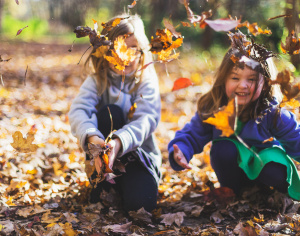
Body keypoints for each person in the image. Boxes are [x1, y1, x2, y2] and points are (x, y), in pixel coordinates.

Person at [168, 31, 300, 200]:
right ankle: (233, 192)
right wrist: (181, 151)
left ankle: (270, 193)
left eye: (251, 79)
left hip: (266, 168)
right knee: (223, 149)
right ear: (224, 79)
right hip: (233, 171)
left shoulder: (273, 113)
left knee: (273, 165)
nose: (242, 85)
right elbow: (192, 134)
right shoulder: (215, 107)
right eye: (235, 78)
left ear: (266, 83)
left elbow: (296, 139)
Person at [69, 14, 161, 212]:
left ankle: (131, 186)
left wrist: (118, 143)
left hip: (138, 159)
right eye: (117, 48)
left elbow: (146, 119)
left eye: (132, 48)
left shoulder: (146, 81)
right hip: (102, 160)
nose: (124, 56)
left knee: (141, 207)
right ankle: (102, 185)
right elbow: (79, 110)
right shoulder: (97, 81)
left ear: (141, 50)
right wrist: (92, 136)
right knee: (110, 112)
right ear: (104, 51)